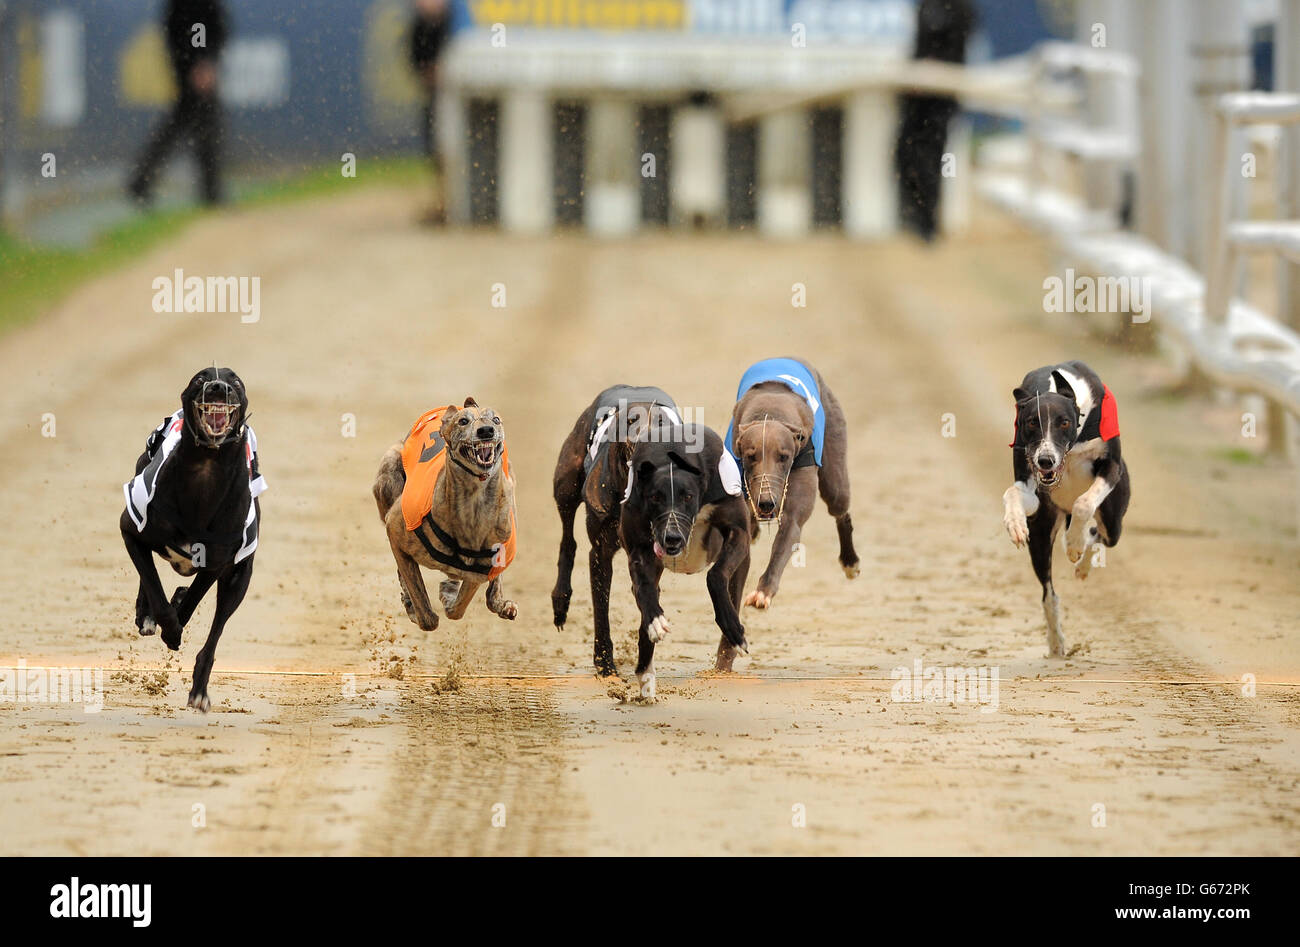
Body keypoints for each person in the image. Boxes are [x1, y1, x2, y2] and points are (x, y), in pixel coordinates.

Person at [128, 0, 229, 207]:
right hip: (189, 66)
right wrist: (198, 62)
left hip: (195, 64)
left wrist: (207, 60)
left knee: (191, 124)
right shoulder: (184, 6)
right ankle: (210, 193)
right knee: (198, 125)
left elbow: (217, 24)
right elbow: (187, 25)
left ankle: (141, 182)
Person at [894, 0, 976, 242]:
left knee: (931, 158)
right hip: (915, 99)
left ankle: (927, 224)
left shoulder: (960, 7)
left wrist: (934, 69)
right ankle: (914, 218)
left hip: (941, 97)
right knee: (905, 153)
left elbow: (958, 47)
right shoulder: (924, 5)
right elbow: (918, 46)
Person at [409, 0, 452, 224]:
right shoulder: (419, 25)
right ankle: (444, 202)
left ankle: (456, 202)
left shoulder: (456, 23)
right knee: (436, 149)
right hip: (436, 98)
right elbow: (415, 63)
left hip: (456, 97)